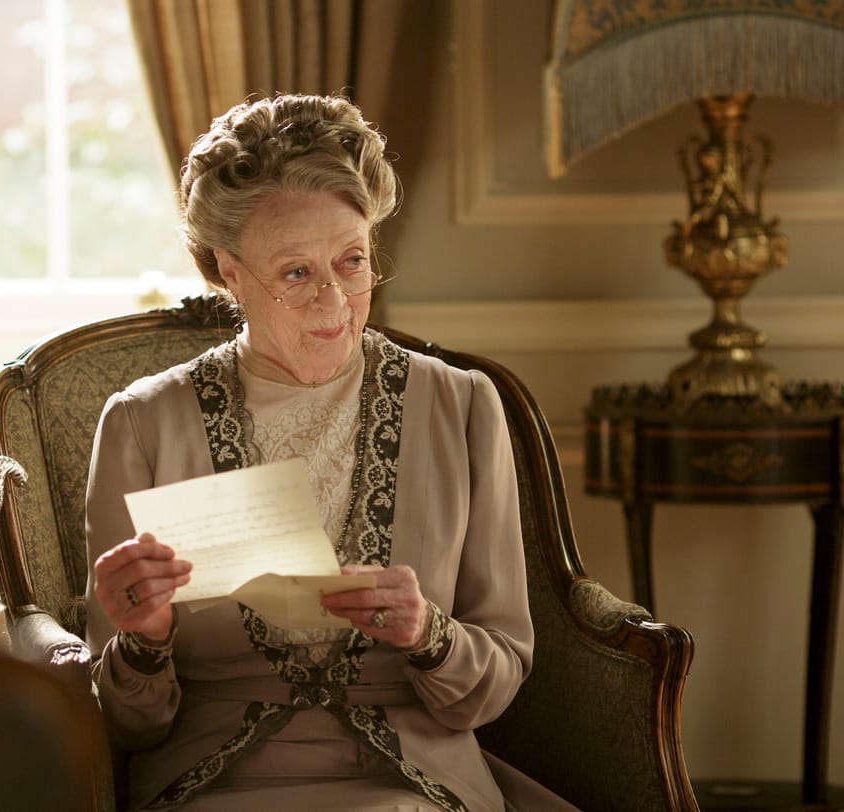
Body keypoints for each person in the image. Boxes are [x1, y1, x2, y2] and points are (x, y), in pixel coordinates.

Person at [84, 93, 575, 811]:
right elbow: (129, 722)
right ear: (230, 273)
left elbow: (495, 683)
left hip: (414, 781)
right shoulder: (141, 424)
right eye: (295, 273)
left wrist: (426, 632)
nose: (335, 302)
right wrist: (145, 639)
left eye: (352, 262)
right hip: (217, 783)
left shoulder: (463, 406)